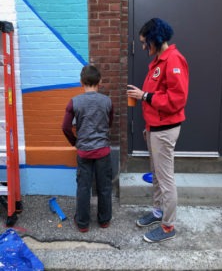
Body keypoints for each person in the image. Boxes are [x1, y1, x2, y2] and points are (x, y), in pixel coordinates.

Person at [127, 18, 189, 243]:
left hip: (165, 130)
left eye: (146, 43)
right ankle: (157, 212)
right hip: (154, 128)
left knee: (165, 179)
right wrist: (143, 94)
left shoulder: (173, 60)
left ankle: (168, 227)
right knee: (156, 177)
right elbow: (158, 93)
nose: (144, 47)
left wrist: (145, 96)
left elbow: (177, 99)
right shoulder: (159, 61)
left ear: (156, 39)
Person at [62, 65, 113, 233]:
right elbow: (109, 122)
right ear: (99, 81)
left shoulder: (74, 102)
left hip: (84, 151)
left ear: (81, 82)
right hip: (103, 151)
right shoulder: (107, 101)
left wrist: (75, 142)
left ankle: (83, 223)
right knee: (104, 186)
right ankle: (104, 220)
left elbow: (65, 127)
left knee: (83, 187)